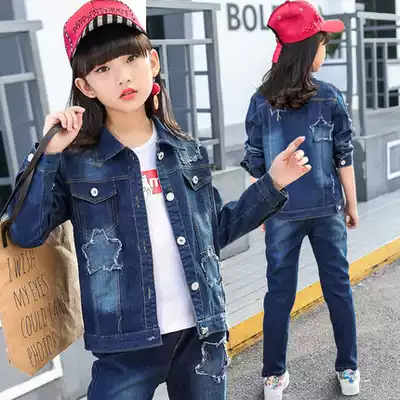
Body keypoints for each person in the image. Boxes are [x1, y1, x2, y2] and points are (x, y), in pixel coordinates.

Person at [7, 1, 311, 399]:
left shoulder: (186, 150)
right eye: (103, 69)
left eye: (131, 58)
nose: (122, 76)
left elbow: (216, 232)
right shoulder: (76, 162)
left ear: (152, 62)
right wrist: (47, 155)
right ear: (85, 87)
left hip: (201, 336)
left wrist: (272, 183)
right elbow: (25, 232)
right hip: (124, 348)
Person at [241, 1, 360, 399]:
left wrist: (259, 208)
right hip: (327, 208)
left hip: (280, 210)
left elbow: (255, 163)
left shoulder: (260, 100)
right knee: (338, 287)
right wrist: (352, 205)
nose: (325, 50)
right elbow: (344, 155)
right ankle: (348, 370)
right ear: (309, 49)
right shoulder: (329, 96)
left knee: (279, 293)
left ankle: (273, 377)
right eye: (323, 43)